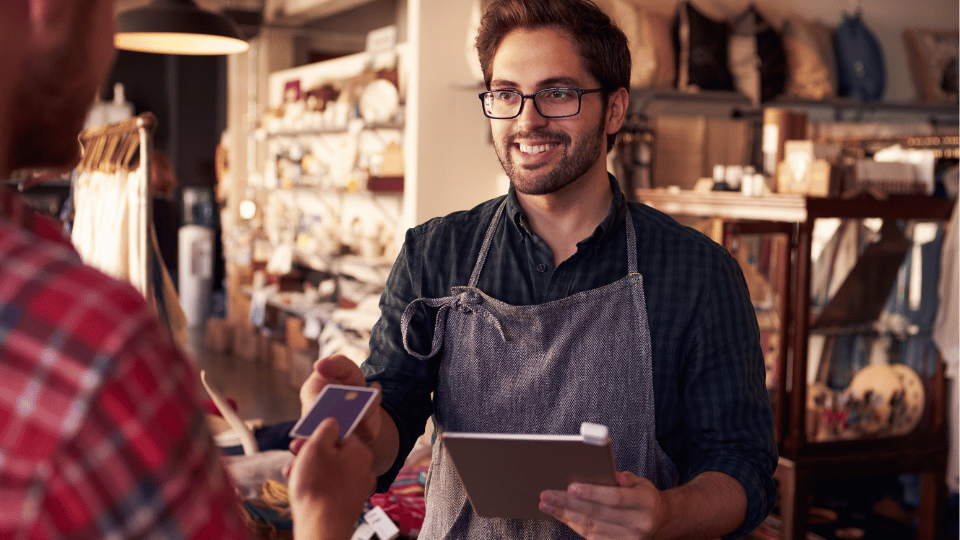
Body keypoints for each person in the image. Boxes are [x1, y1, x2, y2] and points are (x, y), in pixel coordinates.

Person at [297, 0, 778, 539]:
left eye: (557, 92)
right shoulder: (434, 253)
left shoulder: (698, 273)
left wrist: (669, 514)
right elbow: (396, 423)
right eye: (506, 94)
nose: (527, 119)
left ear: (615, 109)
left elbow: (744, 467)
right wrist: (359, 420)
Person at [0, 0, 372, 538]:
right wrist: (323, 513)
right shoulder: (88, 342)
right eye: (107, 12)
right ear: (49, 10)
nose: (108, 50)